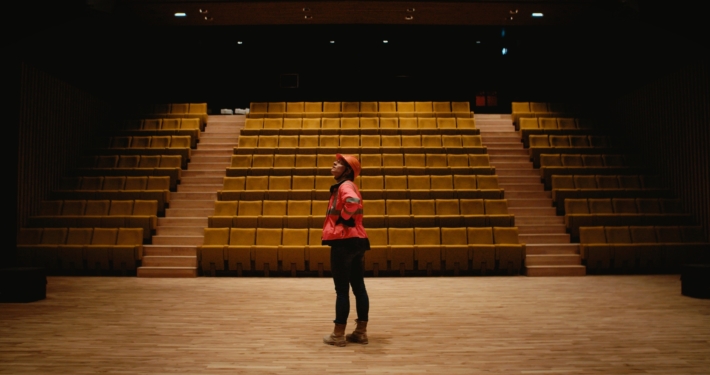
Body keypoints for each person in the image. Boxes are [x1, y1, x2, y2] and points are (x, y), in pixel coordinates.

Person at [321, 154, 370, 347]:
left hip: (344, 242)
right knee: (358, 287)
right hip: (358, 241)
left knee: (342, 291)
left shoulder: (345, 186)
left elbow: (352, 201)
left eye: (340, 163)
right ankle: (360, 332)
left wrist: (345, 217)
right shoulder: (346, 185)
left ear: (348, 171)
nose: (334, 164)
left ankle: (338, 335)